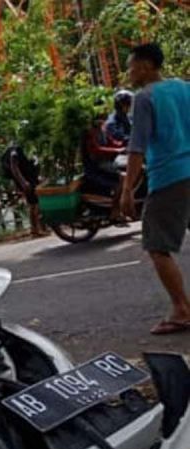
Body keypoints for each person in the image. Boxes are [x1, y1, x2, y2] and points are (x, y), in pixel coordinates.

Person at [120, 42, 190, 336]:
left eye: (131, 65)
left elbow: (137, 148)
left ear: (146, 66)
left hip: (170, 176)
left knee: (157, 245)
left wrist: (127, 189)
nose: (129, 72)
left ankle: (181, 310)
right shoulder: (185, 88)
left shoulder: (144, 98)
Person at [1, 143, 47, 237]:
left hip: (30, 178)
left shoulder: (27, 148)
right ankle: (35, 230)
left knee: (34, 203)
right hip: (26, 180)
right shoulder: (16, 149)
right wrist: (23, 182)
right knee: (34, 204)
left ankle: (36, 229)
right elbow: (14, 166)